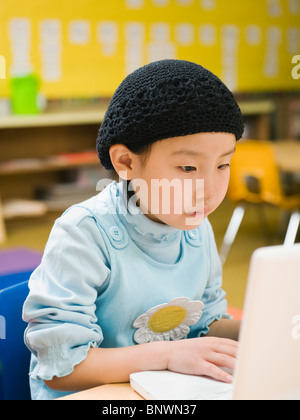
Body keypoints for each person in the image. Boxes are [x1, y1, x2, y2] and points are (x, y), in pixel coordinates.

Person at [23, 59, 244, 400]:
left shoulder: (196, 226)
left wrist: (257, 328)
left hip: (167, 391)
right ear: (126, 162)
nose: (209, 189)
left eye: (223, 164)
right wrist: (169, 355)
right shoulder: (84, 233)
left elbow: (206, 322)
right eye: (188, 167)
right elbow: (62, 368)